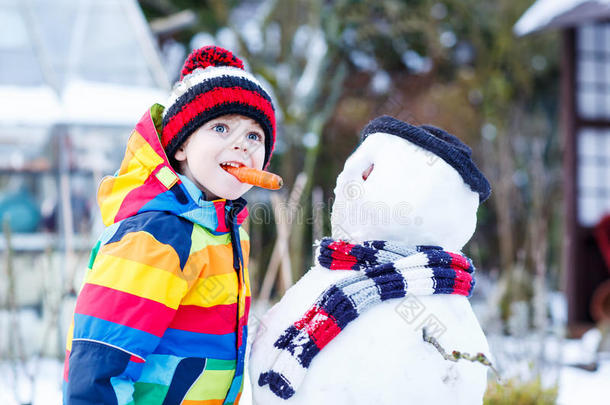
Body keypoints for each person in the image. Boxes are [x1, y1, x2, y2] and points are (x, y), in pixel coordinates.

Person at [63, 46, 276, 405]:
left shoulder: (225, 232)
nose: (240, 146)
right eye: (221, 127)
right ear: (181, 147)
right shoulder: (158, 235)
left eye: (254, 136)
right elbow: (97, 368)